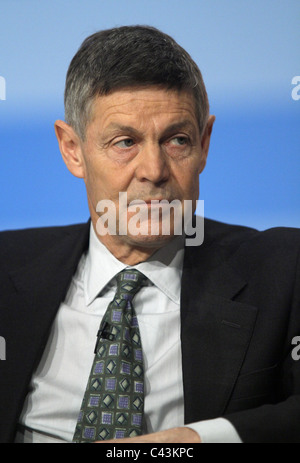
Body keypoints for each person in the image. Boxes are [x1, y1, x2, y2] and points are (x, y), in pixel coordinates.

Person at [0, 25, 299, 444]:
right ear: (73, 149)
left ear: (205, 143)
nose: (155, 171)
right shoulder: (6, 268)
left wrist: (192, 442)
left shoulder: (282, 271)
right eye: (125, 142)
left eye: (177, 140)